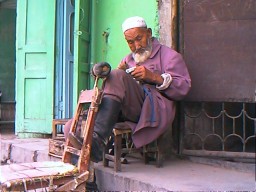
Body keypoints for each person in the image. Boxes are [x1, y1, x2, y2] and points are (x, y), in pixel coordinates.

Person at [64, 16, 191, 190]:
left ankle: (96, 141)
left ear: (149, 33)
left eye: (139, 39)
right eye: (130, 42)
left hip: (151, 109)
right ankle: (87, 181)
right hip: (124, 108)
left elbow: (183, 88)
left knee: (116, 75)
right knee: (73, 126)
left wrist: (153, 77)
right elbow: (115, 89)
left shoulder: (169, 56)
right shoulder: (129, 59)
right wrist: (109, 77)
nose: (136, 46)